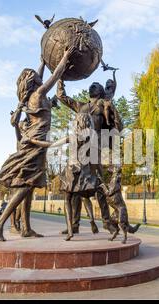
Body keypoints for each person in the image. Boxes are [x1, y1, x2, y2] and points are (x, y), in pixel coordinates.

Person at [0, 46, 76, 241]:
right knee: (25, 186)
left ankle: (26, 229)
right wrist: (64, 57)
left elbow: (42, 74)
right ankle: (0, 222)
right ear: (33, 81)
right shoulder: (38, 94)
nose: (38, 75)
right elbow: (54, 76)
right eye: (35, 74)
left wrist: (42, 61)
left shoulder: (31, 96)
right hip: (35, 146)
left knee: (28, 188)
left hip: (32, 144)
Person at [57, 80, 118, 235]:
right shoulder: (81, 106)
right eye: (91, 85)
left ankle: (106, 222)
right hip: (79, 149)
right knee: (75, 187)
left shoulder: (103, 104)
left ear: (101, 91)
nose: (92, 85)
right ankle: (75, 224)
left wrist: (111, 85)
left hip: (95, 148)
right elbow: (61, 96)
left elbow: (111, 98)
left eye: (96, 85)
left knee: (99, 184)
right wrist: (60, 80)